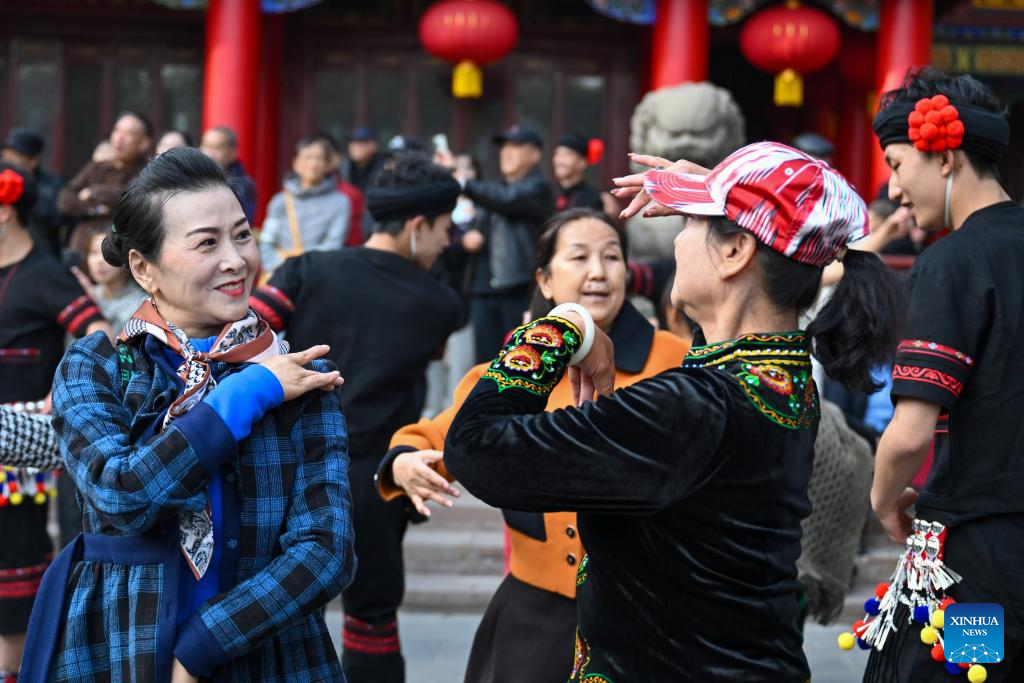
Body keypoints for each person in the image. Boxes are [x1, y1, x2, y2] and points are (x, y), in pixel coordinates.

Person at [444, 141, 903, 681]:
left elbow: (477, 446)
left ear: (736, 251)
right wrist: (731, 199)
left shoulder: (697, 407)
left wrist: (564, 324)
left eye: (690, 223)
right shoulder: (781, 377)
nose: (677, 241)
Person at [21, 147, 353, 683]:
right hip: (123, 644)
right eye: (207, 243)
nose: (236, 260)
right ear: (143, 268)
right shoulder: (98, 367)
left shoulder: (300, 377)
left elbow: (326, 551)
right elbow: (122, 497)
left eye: (242, 235)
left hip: (268, 656)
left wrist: (204, 646)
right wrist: (246, 396)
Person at [376, 208, 689, 683]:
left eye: (612, 257)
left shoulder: (674, 360)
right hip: (536, 614)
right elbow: (439, 435)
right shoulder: (515, 372)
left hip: (647, 612)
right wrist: (403, 462)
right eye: (579, 257)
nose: (598, 272)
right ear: (545, 278)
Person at [250, 152, 463, 683]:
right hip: (375, 479)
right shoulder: (440, 304)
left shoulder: (306, 270)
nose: (447, 243)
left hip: (292, 468)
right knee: (372, 616)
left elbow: (245, 341)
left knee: (285, 608)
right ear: (417, 225)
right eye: (444, 229)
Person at [863, 68, 1024, 682]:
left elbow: (909, 435)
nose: (894, 188)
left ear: (945, 156)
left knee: (960, 672)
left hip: (979, 564)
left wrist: (884, 501)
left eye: (898, 164)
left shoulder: (951, 262)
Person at [0, 163, 110, 682]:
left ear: (5, 211)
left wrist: (59, 392)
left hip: (21, 451)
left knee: (13, 562)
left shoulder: (45, 273)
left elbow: (98, 333)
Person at [457, 125, 554, 362]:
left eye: (516, 146)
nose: (506, 152)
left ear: (535, 155)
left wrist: (463, 183)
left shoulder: (537, 188)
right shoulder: (494, 188)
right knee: (484, 365)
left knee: (518, 360)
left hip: (517, 288)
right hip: (484, 288)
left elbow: (508, 200)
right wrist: (467, 237)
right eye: (504, 146)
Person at [59, 111, 151, 253]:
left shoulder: (148, 170)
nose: (119, 138)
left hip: (122, 249)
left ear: (144, 143)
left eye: (129, 133)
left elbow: (133, 199)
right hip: (83, 245)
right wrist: (93, 210)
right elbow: (65, 199)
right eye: (117, 130)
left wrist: (93, 192)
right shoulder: (98, 166)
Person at [258, 135, 351, 274]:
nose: (313, 164)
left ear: (328, 164)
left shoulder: (341, 202)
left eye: (319, 158)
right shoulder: (280, 201)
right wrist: (276, 267)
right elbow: (267, 239)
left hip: (318, 274)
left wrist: (299, 267)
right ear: (295, 163)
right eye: (307, 157)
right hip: (280, 273)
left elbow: (333, 244)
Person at [72, 223, 147, 333]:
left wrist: (93, 308)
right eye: (94, 252)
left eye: (108, 252)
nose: (99, 261)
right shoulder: (87, 295)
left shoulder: (141, 302)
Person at [1, 129, 63, 256]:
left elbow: (56, 217)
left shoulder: (52, 185)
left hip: (42, 252)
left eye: (15, 155)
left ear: (33, 161)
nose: (8, 159)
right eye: (6, 154)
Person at [551, 133, 617, 216]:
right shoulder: (546, 194)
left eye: (567, 155)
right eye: (557, 154)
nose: (559, 160)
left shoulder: (595, 199)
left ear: (582, 162)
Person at [199, 126, 256, 221]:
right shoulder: (192, 176)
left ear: (233, 152)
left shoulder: (244, 185)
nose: (209, 152)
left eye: (217, 147)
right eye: (206, 146)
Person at [342, 126, 383, 192]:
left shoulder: (384, 166)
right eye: (352, 142)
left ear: (373, 146)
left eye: (360, 143)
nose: (355, 147)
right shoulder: (344, 167)